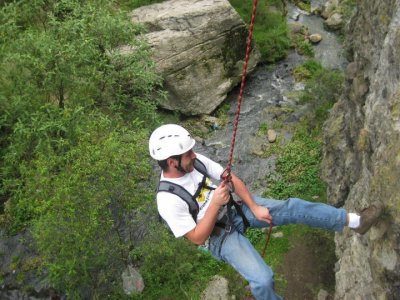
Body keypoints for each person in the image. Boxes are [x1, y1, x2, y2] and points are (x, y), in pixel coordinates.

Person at [149, 124, 383, 300]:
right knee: (262, 280)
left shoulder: (196, 161)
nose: (194, 155)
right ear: (172, 162)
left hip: (236, 210)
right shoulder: (168, 199)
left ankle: (354, 221)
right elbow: (197, 238)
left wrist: (254, 207)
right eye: (188, 154)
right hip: (219, 237)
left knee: (293, 207)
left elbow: (231, 179)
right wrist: (214, 205)